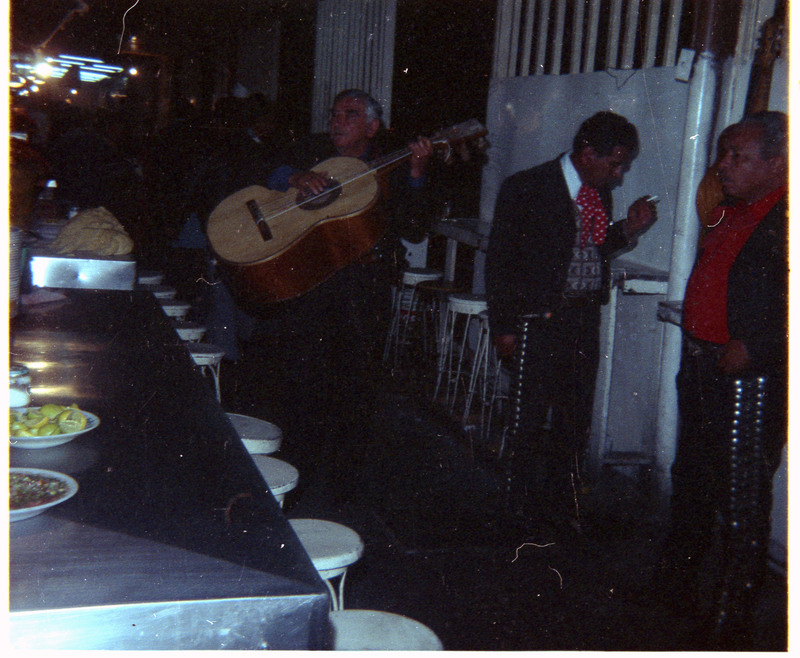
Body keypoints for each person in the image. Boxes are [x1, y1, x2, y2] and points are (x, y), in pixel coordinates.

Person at [232, 89, 438, 500]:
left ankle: (342, 490)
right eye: (335, 113)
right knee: (299, 383)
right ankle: (291, 479)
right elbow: (259, 167)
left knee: (355, 387)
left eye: (350, 114)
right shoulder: (311, 149)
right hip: (309, 286)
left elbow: (415, 227)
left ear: (373, 127)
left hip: (364, 290)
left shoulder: (392, 165)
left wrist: (417, 171)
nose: (337, 120)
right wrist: (291, 178)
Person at [485, 111, 657, 531]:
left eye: (623, 166)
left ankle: (560, 509)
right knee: (527, 418)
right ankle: (515, 513)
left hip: (582, 320)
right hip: (535, 321)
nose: (618, 175)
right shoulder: (527, 188)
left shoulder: (598, 192)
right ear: (585, 153)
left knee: (573, 420)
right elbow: (501, 263)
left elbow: (592, 247)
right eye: (614, 163)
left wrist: (629, 230)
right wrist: (504, 327)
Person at [653, 111, 788, 649]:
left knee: (740, 498)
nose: (723, 165)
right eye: (724, 152)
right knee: (691, 482)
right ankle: (676, 590)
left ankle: (731, 616)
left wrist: (756, 344)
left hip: (751, 376)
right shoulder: (729, 209)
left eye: (738, 157)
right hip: (703, 363)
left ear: (776, 165)